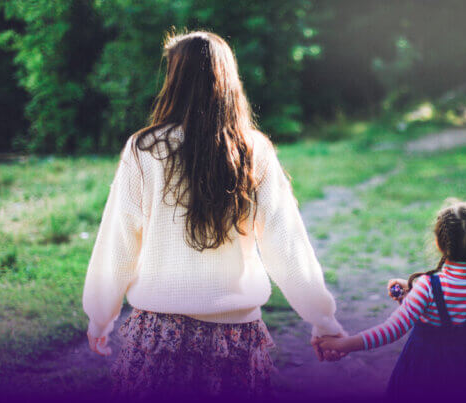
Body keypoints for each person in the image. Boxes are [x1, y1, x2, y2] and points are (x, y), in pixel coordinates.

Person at [82, 30, 345, 399]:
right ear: (228, 80)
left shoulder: (145, 150)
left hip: (158, 337)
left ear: (174, 80)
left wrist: (100, 314)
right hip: (235, 341)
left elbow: (119, 243)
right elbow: (285, 245)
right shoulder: (253, 150)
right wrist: (322, 318)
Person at [317, 202, 466, 398]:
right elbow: (454, 312)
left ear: (438, 243)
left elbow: (392, 330)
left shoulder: (428, 286)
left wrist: (344, 344)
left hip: (425, 373)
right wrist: (412, 295)